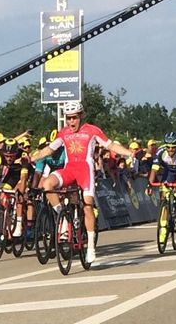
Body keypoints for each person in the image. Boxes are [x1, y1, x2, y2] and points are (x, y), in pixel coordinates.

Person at [33, 101, 133, 264]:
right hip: (69, 169)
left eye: (74, 118)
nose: (71, 122)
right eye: (68, 118)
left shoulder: (92, 130)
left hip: (85, 171)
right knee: (47, 185)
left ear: (81, 116)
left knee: (87, 206)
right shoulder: (63, 132)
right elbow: (49, 150)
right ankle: (62, 216)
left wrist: (128, 153)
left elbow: (111, 145)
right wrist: (33, 157)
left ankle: (91, 247)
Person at [147, 132, 176, 237]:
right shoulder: (161, 151)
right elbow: (154, 169)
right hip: (168, 171)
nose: (170, 149)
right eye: (168, 147)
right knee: (164, 196)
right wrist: (149, 185)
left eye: (173, 147)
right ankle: (164, 224)